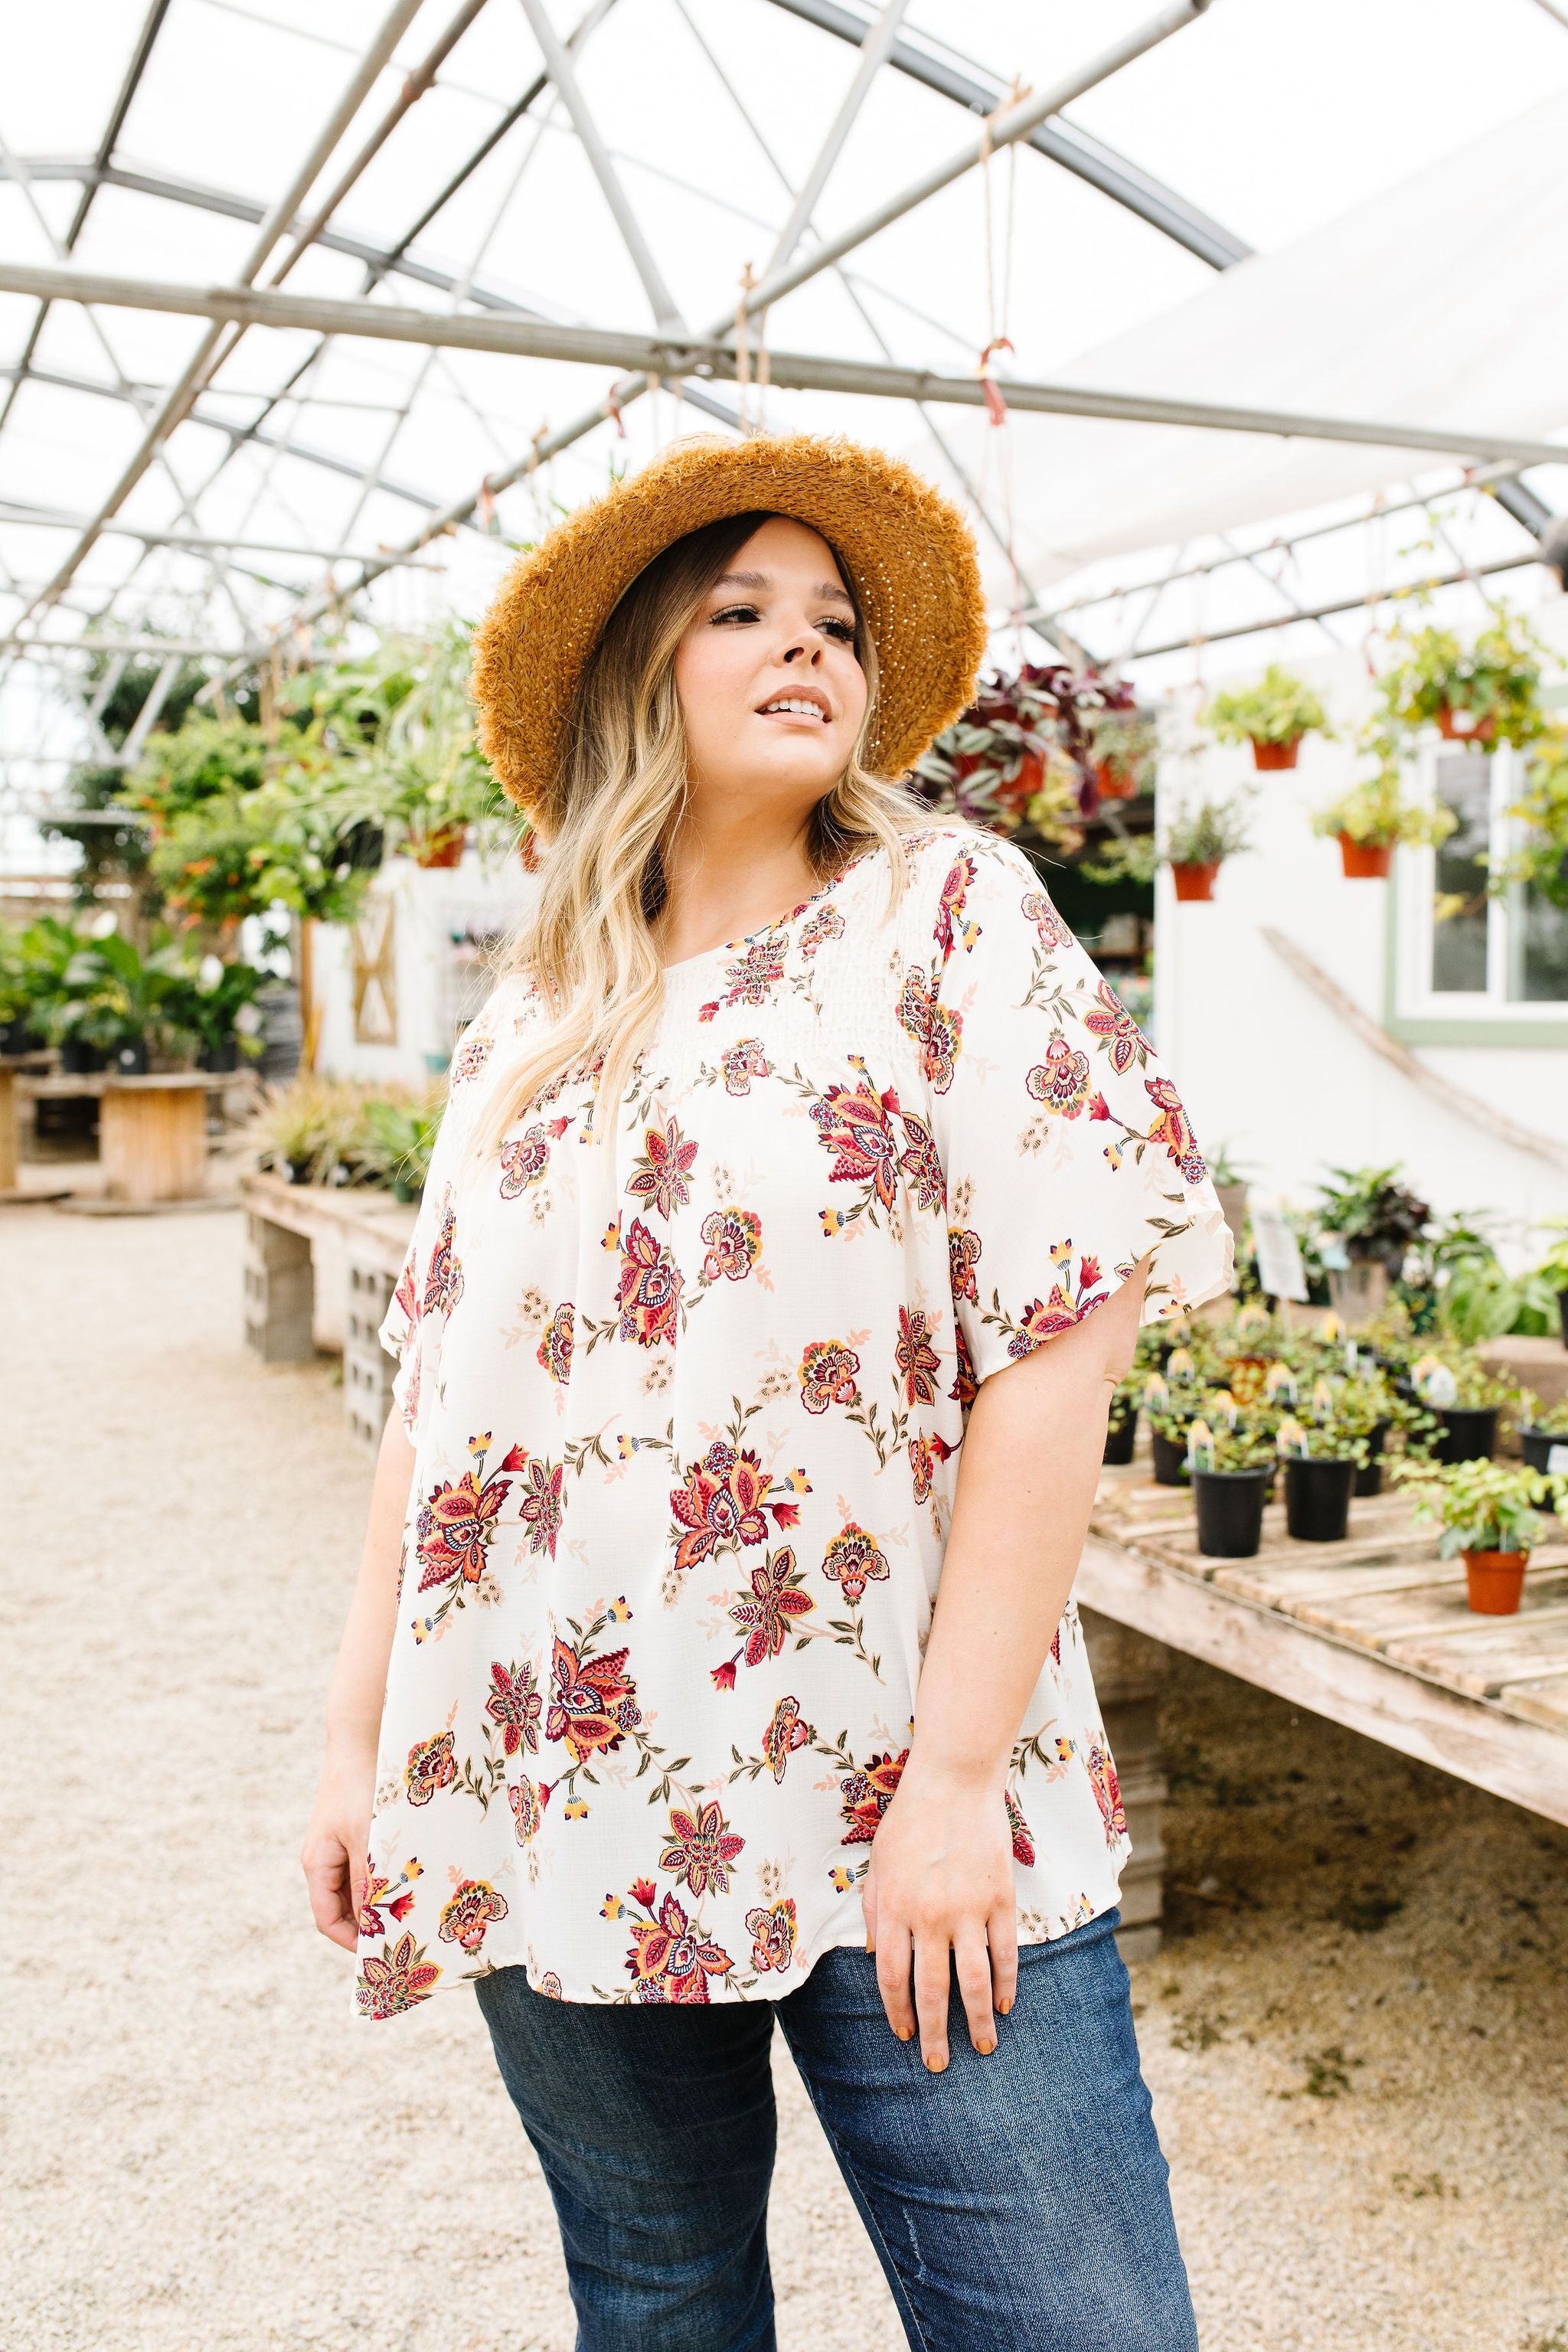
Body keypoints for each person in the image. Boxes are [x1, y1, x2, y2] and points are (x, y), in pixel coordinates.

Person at [301, 431, 1232, 2352]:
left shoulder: (946, 917)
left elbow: (1059, 1343)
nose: (805, 646)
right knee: (656, 2301)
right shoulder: (534, 1010)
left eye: (833, 621)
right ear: (643, 666)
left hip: (907, 1784)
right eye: (741, 611)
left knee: (1080, 2329)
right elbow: (437, 1409)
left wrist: (958, 1784)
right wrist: (352, 1750)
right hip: (561, 1784)